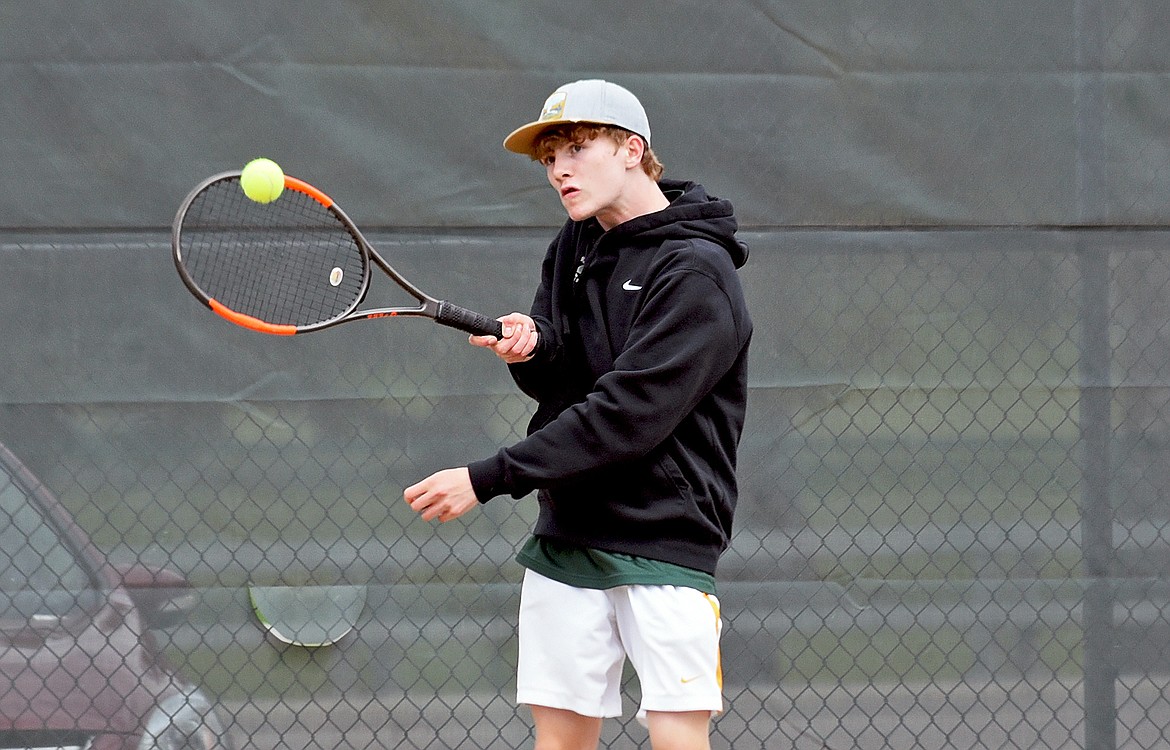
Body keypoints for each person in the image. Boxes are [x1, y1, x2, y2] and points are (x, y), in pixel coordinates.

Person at [404, 79, 752, 750]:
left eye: (577, 146)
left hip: (664, 542)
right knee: (560, 740)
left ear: (631, 149)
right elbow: (568, 380)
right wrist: (532, 351)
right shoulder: (574, 246)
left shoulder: (698, 272)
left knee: (678, 738)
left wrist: (488, 477)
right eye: (549, 156)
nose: (559, 168)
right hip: (569, 536)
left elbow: (628, 414)